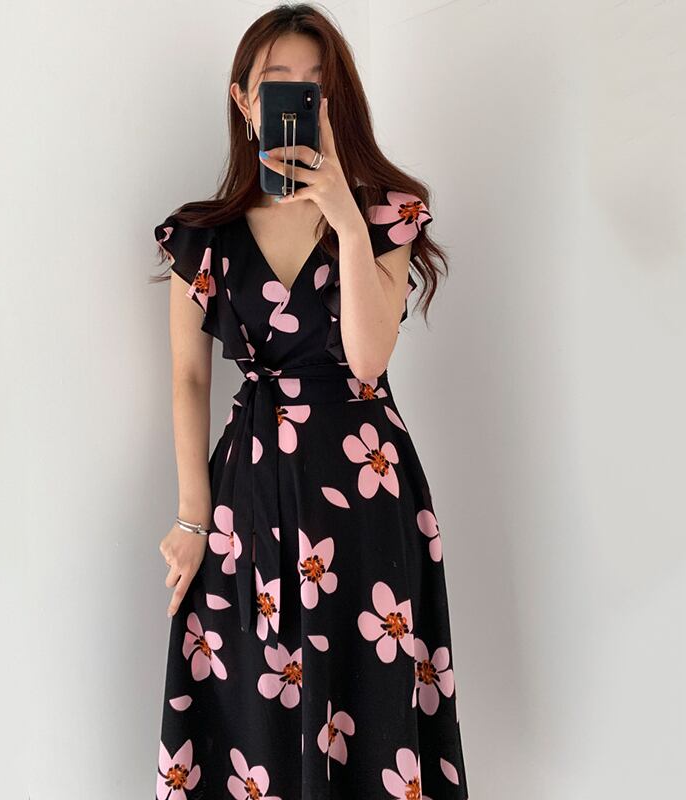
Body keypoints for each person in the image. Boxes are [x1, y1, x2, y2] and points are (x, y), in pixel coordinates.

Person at [151, 4, 468, 798]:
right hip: (248, 501)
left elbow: (368, 358)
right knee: (249, 707)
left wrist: (345, 220)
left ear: (337, 99)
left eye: (316, 85)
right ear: (243, 100)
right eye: (278, 83)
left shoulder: (386, 213)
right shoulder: (203, 236)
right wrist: (191, 519)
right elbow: (189, 377)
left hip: (364, 494)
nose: (300, 97)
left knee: (369, 703)